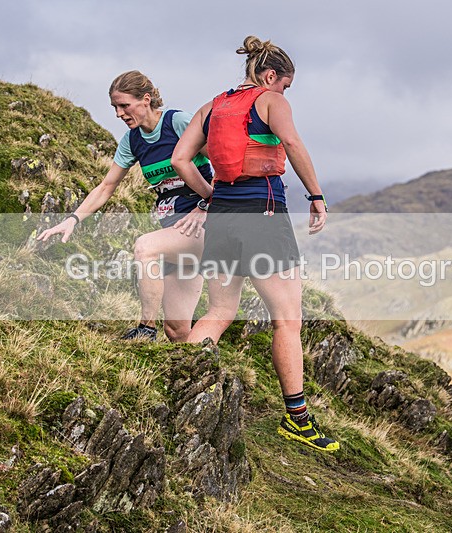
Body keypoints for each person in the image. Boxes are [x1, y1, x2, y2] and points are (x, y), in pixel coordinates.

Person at [171, 35, 339, 452]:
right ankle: (297, 421)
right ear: (269, 75)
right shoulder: (270, 100)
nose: (284, 93)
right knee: (287, 318)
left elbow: (179, 159)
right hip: (262, 210)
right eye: (285, 85)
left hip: (224, 214)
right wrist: (316, 196)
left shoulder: (212, 106)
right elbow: (294, 145)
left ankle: (169, 387)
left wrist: (211, 195)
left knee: (220, 311)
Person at [37, 71, 212, 342]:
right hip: (175, 233)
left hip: (206, 224)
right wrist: (72, 219)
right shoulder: (132, 141)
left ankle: (145, 329)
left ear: (145, 100)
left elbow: (225, 163)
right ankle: (205, 371)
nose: (119, 114)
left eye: (124, 106)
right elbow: (106, 187)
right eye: (114, 108)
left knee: (145, 247)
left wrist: (204, 206)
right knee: (177, 330)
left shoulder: (177, 122)